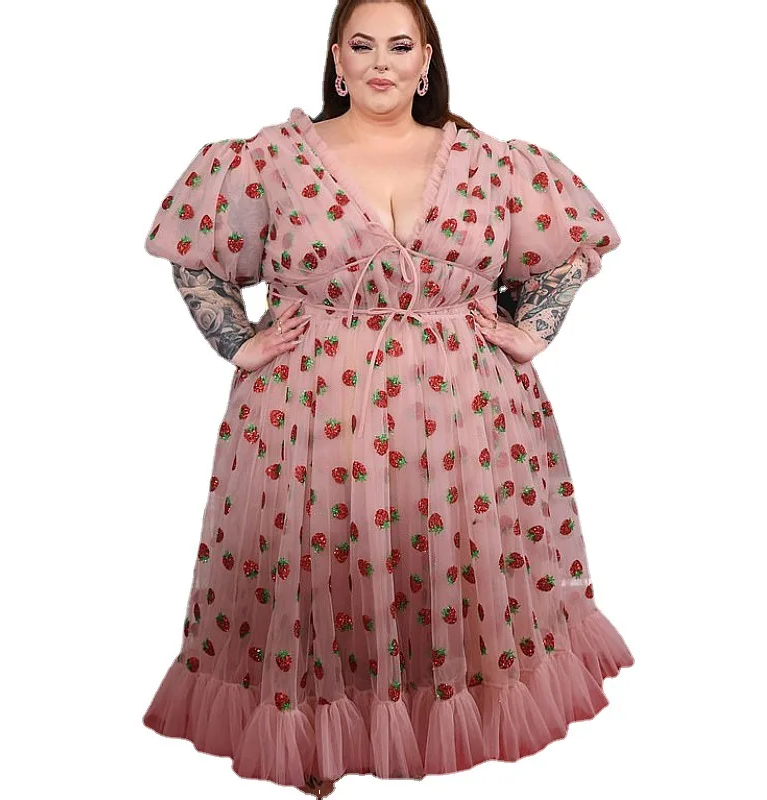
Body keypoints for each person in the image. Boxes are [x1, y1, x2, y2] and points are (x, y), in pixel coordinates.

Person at [141, 2, 634, 797]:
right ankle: (316, 740)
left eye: (400, 46)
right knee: (320, 570)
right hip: (311, 411)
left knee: (444, 568)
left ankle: (434, 732)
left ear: (426, 59)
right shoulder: (270, 161)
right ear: (336, 59)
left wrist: (532, 331)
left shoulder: (491, 162)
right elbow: (194, 253)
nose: (381, 62)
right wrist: (236, 340)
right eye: (362, 45)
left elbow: (566, 250)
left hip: (467, 415)